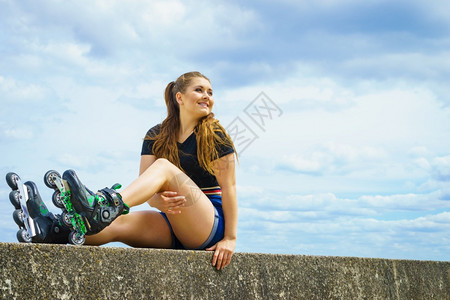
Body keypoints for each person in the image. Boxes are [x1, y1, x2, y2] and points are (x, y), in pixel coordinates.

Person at [57, 71, 237, 270]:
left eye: (210, 92)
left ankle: (107, 204)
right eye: (199, 90)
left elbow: (229, 188)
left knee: (164, 167)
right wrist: (158, 201)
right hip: (172, 222)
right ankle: (55, 227)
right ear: (180, 97)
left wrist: (230, 238)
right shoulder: (155, 135)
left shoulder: (216, 134)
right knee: (117, 224)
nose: (207, 96)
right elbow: (148, 193)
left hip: (209, 224)